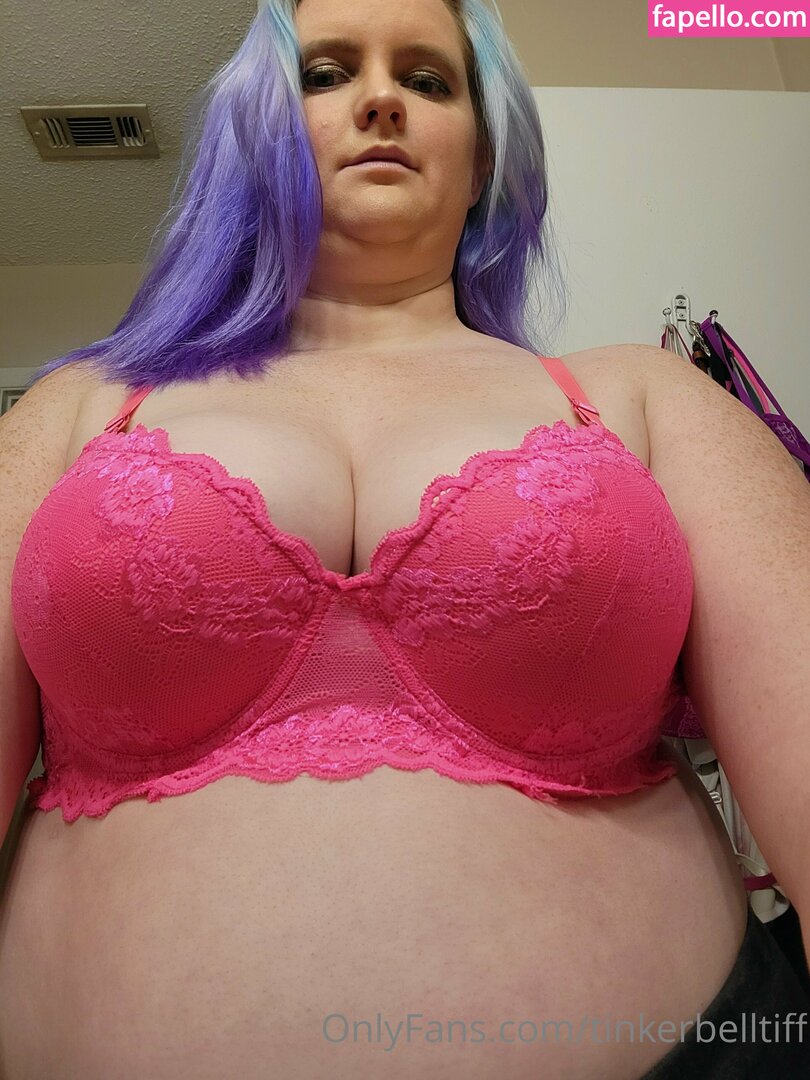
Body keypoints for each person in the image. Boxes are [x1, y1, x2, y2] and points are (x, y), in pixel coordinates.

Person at [1, 0, 808, 1076]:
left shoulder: (643, 397)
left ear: (483, 162)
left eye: (428, 81)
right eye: (326, 72)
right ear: (256, 134)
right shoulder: (80, 408)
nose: (381, 98)